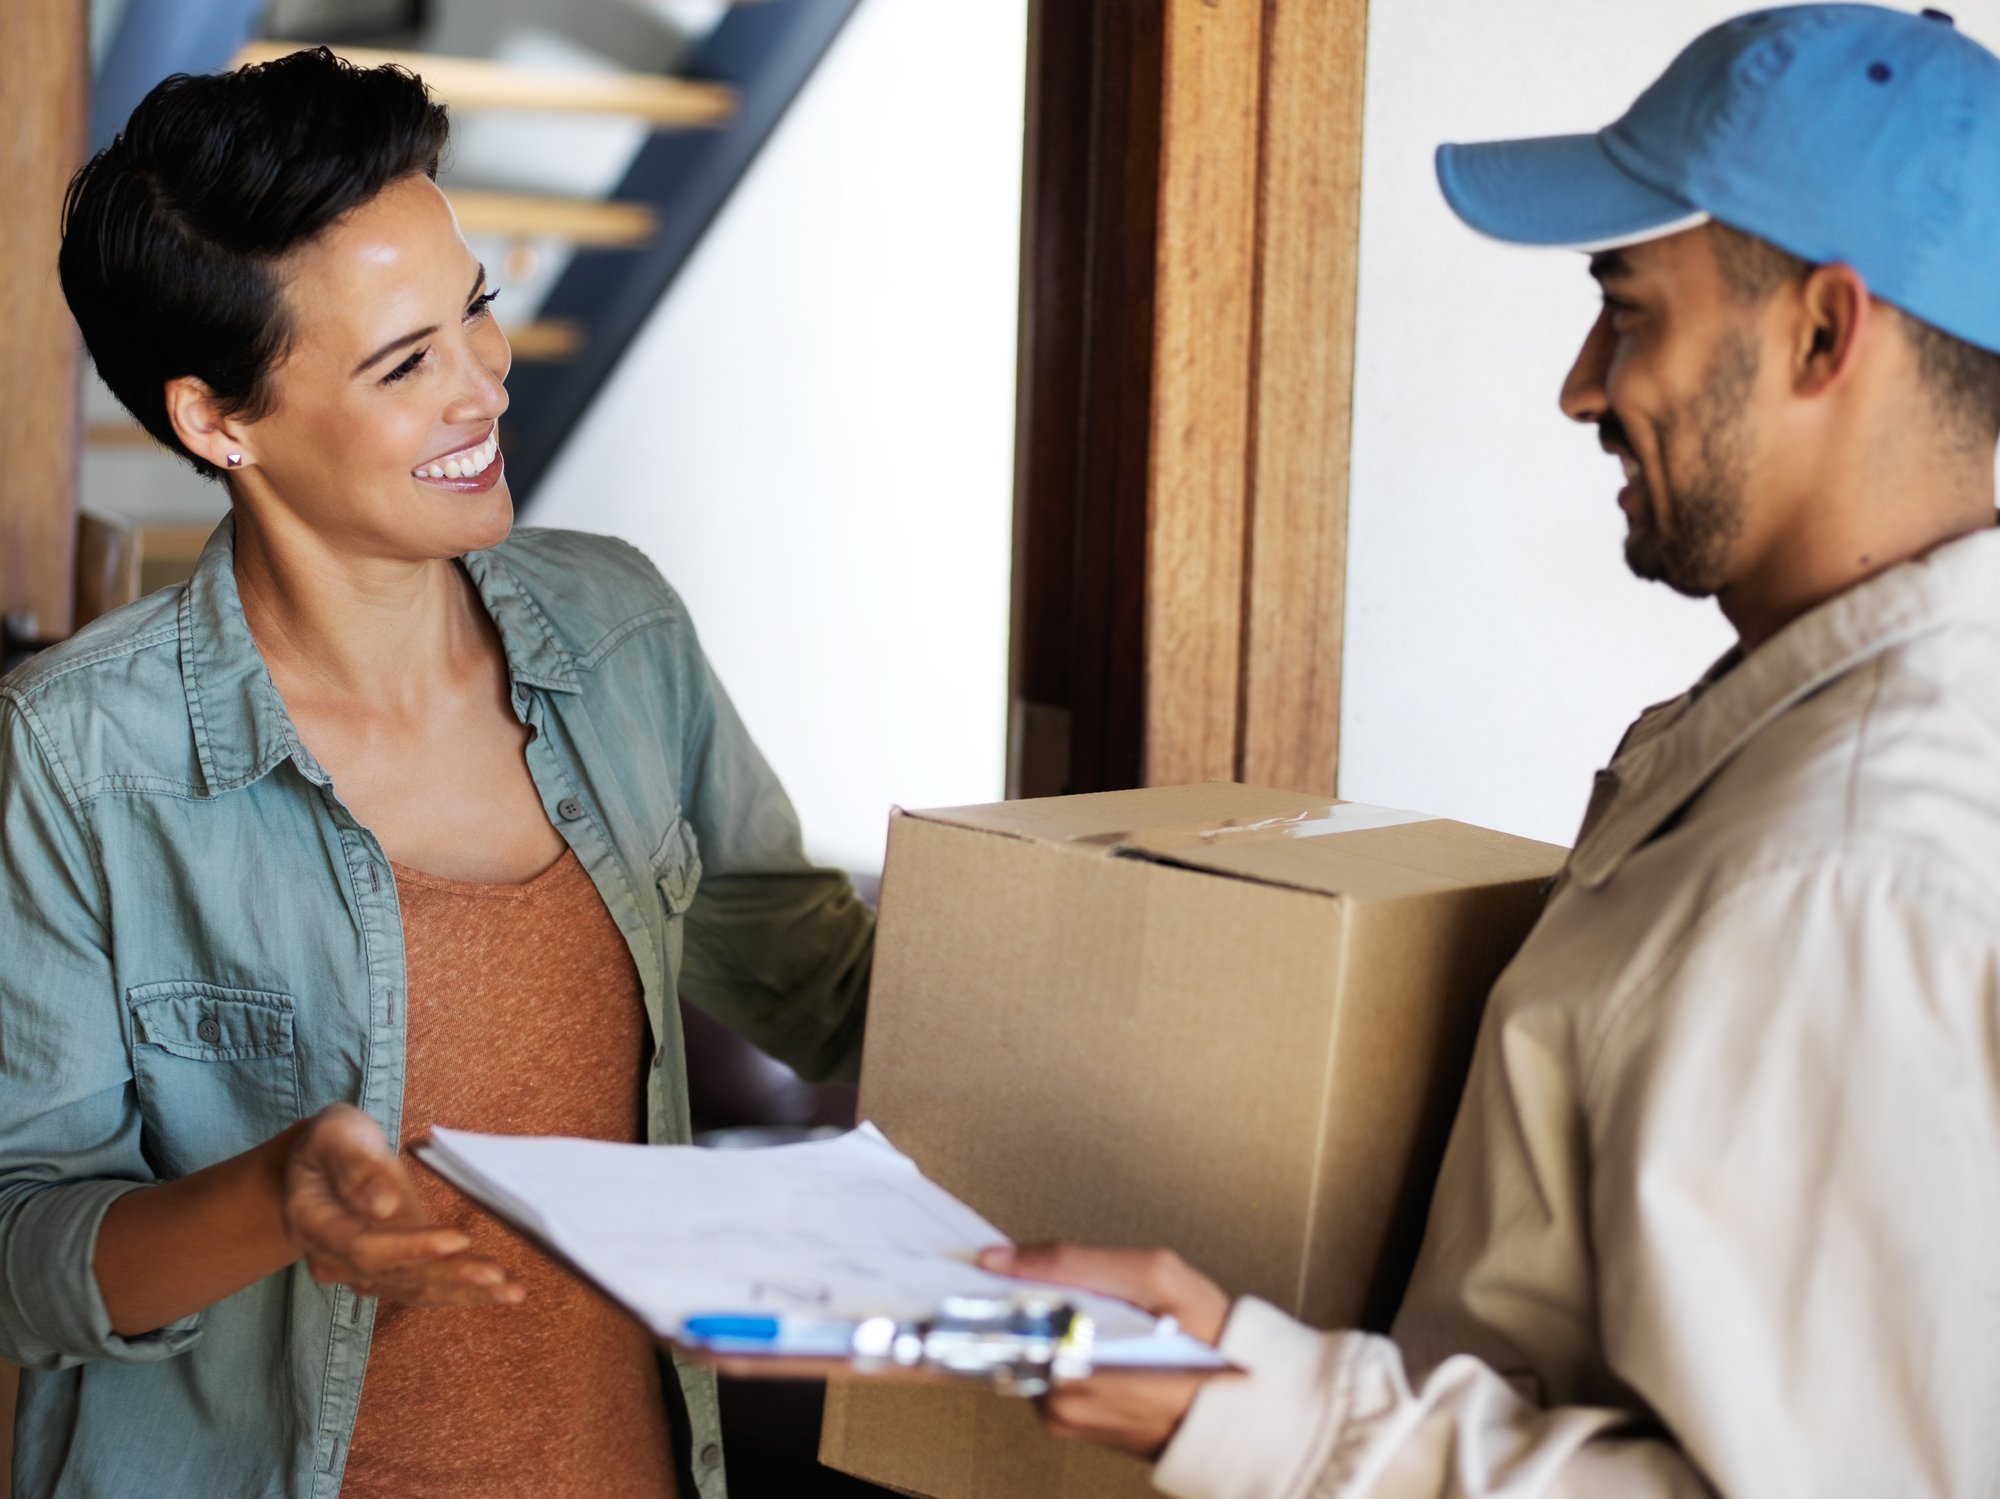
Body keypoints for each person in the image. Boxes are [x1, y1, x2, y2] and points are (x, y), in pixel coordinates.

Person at [985, 6, 2000, 1494]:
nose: (1582, 387)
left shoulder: (1836, 867)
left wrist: (1246, 1407)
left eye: (1631, 309)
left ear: (1826, 331)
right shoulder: (1835, 756)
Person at [0, 47, 873, 1499]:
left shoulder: (624, 631)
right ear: (220, 421)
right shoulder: (78, 756)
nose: (483, 384)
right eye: (405, 364)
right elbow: (22, 1257)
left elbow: (824, 981)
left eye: (473, 309)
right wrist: (275, 1205)